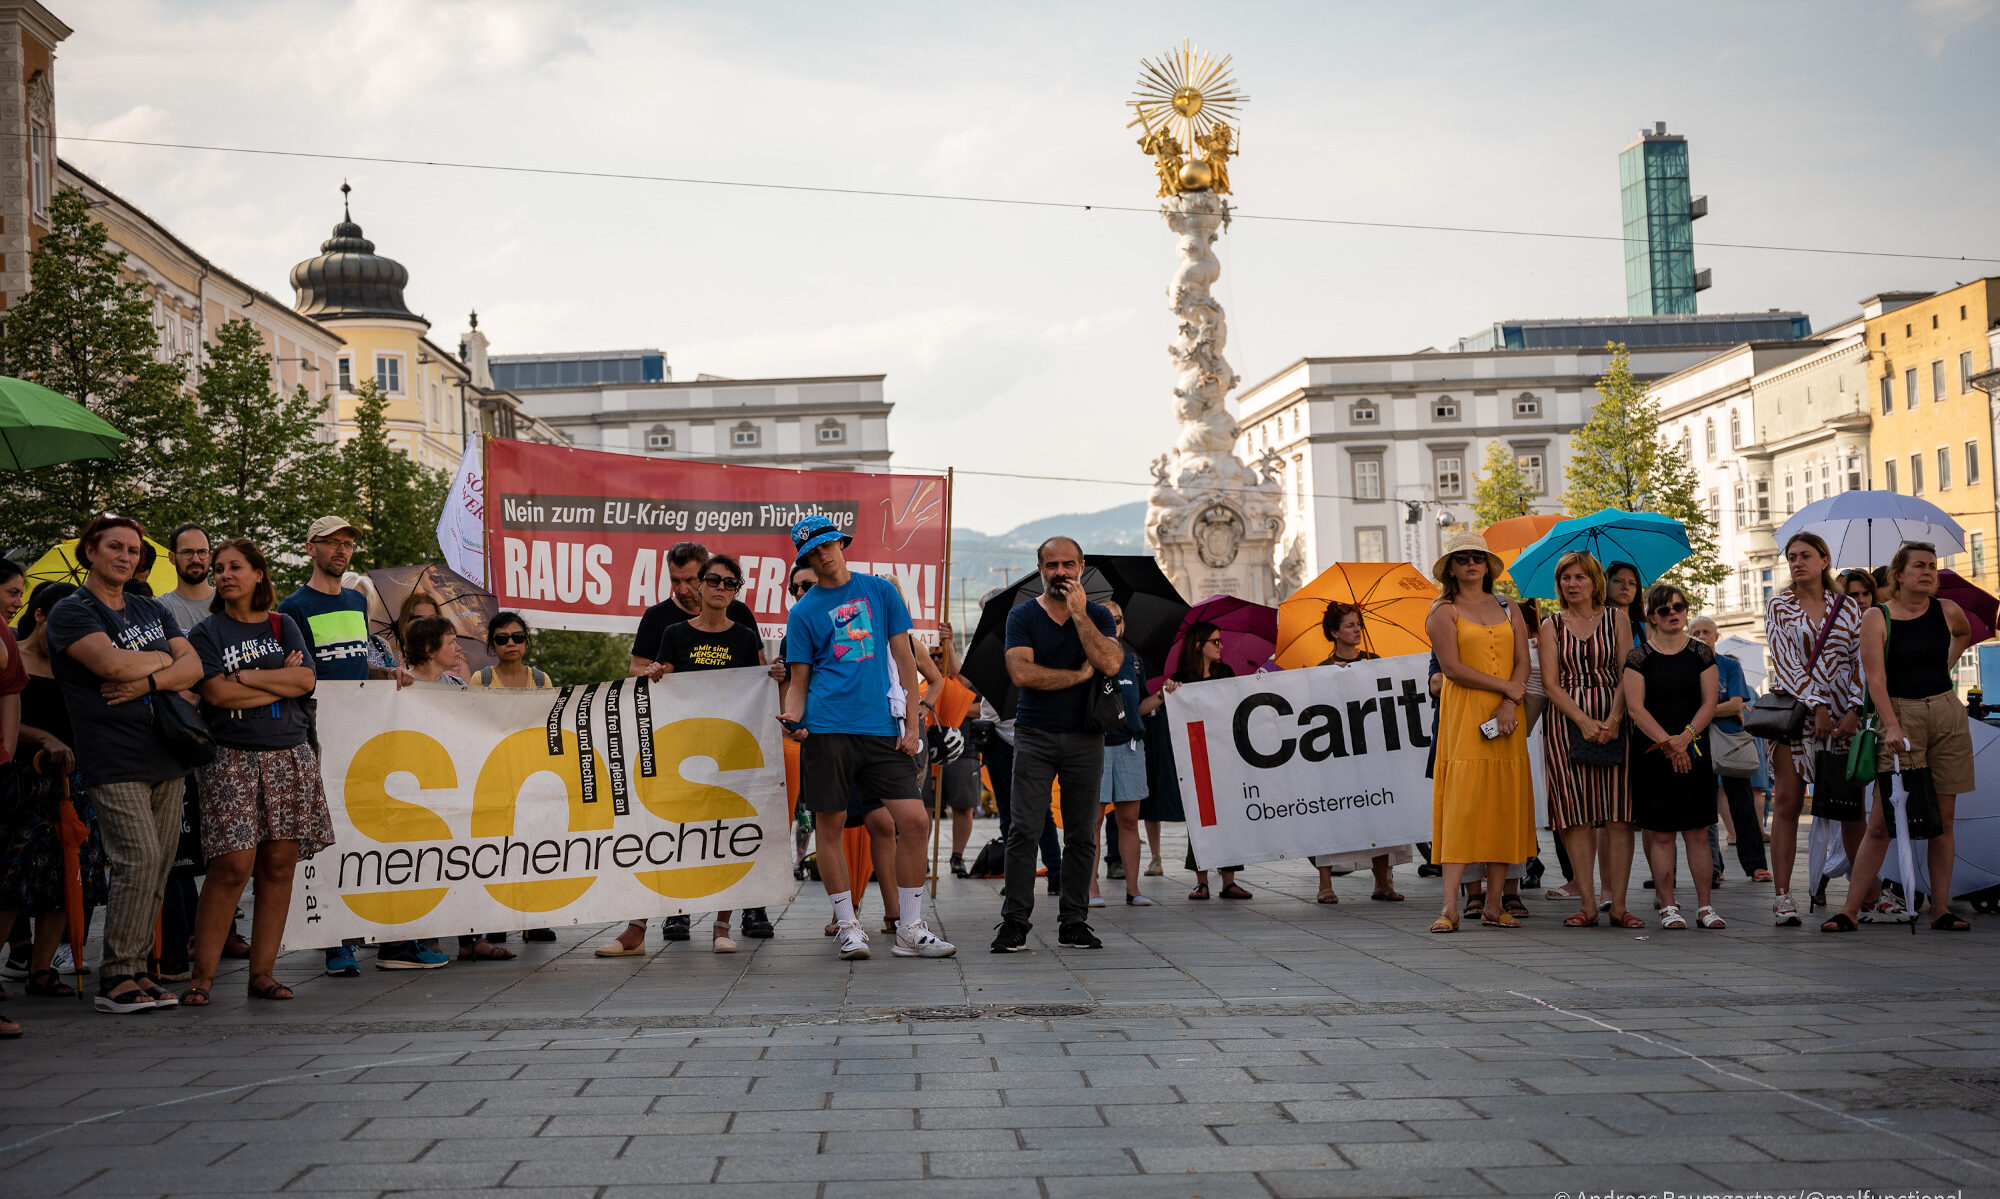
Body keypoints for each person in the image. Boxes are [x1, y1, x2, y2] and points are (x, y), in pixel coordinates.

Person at [44, 514, 204, 1013]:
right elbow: (110, 665)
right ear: (90, 550)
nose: (125, 557)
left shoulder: (147, 606)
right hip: (114, 756)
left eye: (133, 551)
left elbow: (196, 665)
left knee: (158, 865)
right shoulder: (74, 611)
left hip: (168, 751)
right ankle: (115, 978)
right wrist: (164, 664)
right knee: (135, 859)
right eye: (115, 547)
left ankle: (139, 970)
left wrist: (151, 679)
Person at [780, 514, 953, 959]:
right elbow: (800, 682)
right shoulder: (802, 612)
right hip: (827, 728)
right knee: (830, 826)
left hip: (881, 728)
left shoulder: (880, 591)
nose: (824, 554)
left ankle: (910, 928)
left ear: (842, 544)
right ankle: (848, 924)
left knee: (914, 822)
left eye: (828, 544)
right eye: (814, 551)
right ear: (806, 558)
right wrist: (792, 716)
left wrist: (913, 725)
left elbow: (906, 660)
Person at [277, 515, 435, 973]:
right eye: (331, 543)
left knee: (360, 833)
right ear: (310, 548)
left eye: (347, 543)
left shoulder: (353, 601)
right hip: (319, 734)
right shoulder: (293, 606)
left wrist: (386, 674)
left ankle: (364, 928)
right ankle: (334, 942)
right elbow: (304, 674)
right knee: (328, 836)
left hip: (361, 733)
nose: (341, 550)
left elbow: (355, 663)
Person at [178, 539, 331, 1004]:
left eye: (235, 567)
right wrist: (272, 683)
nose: (224, 574)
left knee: (279, 864)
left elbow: (305, 680)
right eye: (219, 568)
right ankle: (202, 978)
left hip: (290, 754)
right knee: (230, 867)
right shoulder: (206, 633)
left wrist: (243, 676)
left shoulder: (282, 624)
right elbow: (216, 697)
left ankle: (262, 973)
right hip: (232, 758)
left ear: (259, 574)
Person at [601, 557, 763, 955]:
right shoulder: (673, 631)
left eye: (730, 582)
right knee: (662, 834)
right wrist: (655, 673)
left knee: (726, 836)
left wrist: (774, 676)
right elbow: (656, 675)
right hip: (680, 750)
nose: (720, 587)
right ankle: (636, 931)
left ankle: (722, 928)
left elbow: (760, 681)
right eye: (713, 580)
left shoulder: (743, 635)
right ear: (702, 585)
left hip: (727, 752)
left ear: (735, 590)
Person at [1830, 542, 1975, 933]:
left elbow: (1962, 634)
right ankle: (1850, 910)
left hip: (1946, 711)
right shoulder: (1878, 617)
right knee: (1881, 820)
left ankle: (1941, 908)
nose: (1929, 572)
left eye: (1933, 566)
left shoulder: (1947, 611)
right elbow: (1874, 679)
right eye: (1920, 566)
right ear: (1898, 575)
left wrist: (1944, 664)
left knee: (1944, 818)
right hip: (1901, 713)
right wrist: (1891, 724)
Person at [990, 537, 1123, 953]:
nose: (1061, 572)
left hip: (1086, 735)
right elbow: (1022, 674)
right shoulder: (1023, 616)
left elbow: (1110, 662)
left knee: (1083, 833)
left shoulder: (1098, 615)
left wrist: (1081, 615)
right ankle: (1014, 921)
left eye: (1068, 564)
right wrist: (1076, 677)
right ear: (1040, 569)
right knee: (1023, 830)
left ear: (1081, 567)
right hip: (1035, 734)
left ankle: (1074, 920)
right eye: (1052, 565)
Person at [1423, 531, 1535, 933]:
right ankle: (1450, 906)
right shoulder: (1442, 610)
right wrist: (1505, 689)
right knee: (1463, 807)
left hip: (1506, 715)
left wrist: (1510, 701)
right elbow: (1451, 668)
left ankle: (1493, 904)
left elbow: (1523, 661)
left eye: (1477, 557)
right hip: (1465, 715)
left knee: (1502, 803)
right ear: (1451, 568)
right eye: (1463, 558)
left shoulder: (1508, 607)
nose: (1471, 563)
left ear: (1487, 566)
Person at [1762, 531, 1863, 928]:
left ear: (1824, 560)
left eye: (1805, 555)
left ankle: (1862, 894)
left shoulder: (1848, 607)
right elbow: (1785, 663)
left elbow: (1859, 661)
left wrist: (1854, 707)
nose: (1797, 563)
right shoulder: (1780, 606)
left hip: (1842, 718)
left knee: (1848, 805)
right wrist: (1817, 704)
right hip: (1797, 714)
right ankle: (1783, 896)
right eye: (1791, 557)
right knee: (1787, 802)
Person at [1536, 552, 1637, 929]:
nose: (1572, 584)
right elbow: (1550, 683)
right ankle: (1589, 904)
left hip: (1615, 715)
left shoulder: (1617, 618)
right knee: (1574, 814)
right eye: (1565, 578)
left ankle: (1620, 905)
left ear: (1595, 581)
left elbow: (1628, 671)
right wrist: (1582, 721)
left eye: (1579, 577)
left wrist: (1612, 718)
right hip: (1566, 722)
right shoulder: (1550, 625)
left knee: (1618, 813)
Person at [1623, 583, 1723, 930]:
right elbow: (1635, 708)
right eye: (1664, 610)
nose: (1673, 614)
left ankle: (1705, 906)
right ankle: (1668, 905)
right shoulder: (1638, 658)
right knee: (1662, 833)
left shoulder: (1700, 653)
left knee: (1697, 830)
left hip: (1693, 747)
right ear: (1651, 616)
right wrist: (1668, 743)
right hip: (1653, 752)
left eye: (1679, 607)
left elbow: (1709, 702)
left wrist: (1685, 739)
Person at [1142, 620, 1253, 902]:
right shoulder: (1181, 679)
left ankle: (1229, 880)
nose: (1220, 646)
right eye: (1215, 642)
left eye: (1220, 641)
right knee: (1200, 818)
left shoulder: (1224, 672)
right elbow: (1154, 711)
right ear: (1198, 646)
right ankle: (1201, 881)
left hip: (1224, 753)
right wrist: (1168, 693)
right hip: (1195, 757)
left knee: (1227, 816)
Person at [1310, 603, 1410, 904]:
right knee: (1331, 815)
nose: (1357, 630)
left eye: (1358, 624)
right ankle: (1325, 884)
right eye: (1350, 625)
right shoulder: (1322, 670)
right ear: (1334, 632)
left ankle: (1382, 881)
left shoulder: (1374, 661)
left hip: (1373, 752)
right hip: (1336, 754)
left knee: (1378, 812)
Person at [1691, 616, 1769, 886]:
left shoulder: (1729, 665)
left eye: (1706, 632)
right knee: (1702, 806)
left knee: (1743, 803)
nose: (1701, 636)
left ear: (1716, 636)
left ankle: (1756, 865)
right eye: (1696, 632)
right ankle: (1713, 866)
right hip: (1697, 743)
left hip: (1730, 742)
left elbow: (1737, 702)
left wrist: (1701, 712)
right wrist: (1720, 709)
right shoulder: (1686, 667)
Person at [1095, 602, 1153, 907]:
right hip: (1097, 746)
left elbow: (1138, 705)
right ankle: (1090, 891)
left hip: (1130, 744)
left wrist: (1163, 696)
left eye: (1117, 620)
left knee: (1130, 820)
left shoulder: (1133, 661)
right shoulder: (1087, 656)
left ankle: (1133, 889)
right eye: (1106, 619)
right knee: (1093, 820)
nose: (1113, 625)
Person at [470, 612, 553, 690]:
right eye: (502, 638)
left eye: (518, 637)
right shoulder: (480, 680)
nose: (511, 643)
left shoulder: (542, 681)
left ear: (526, 642)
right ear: (492, 646)